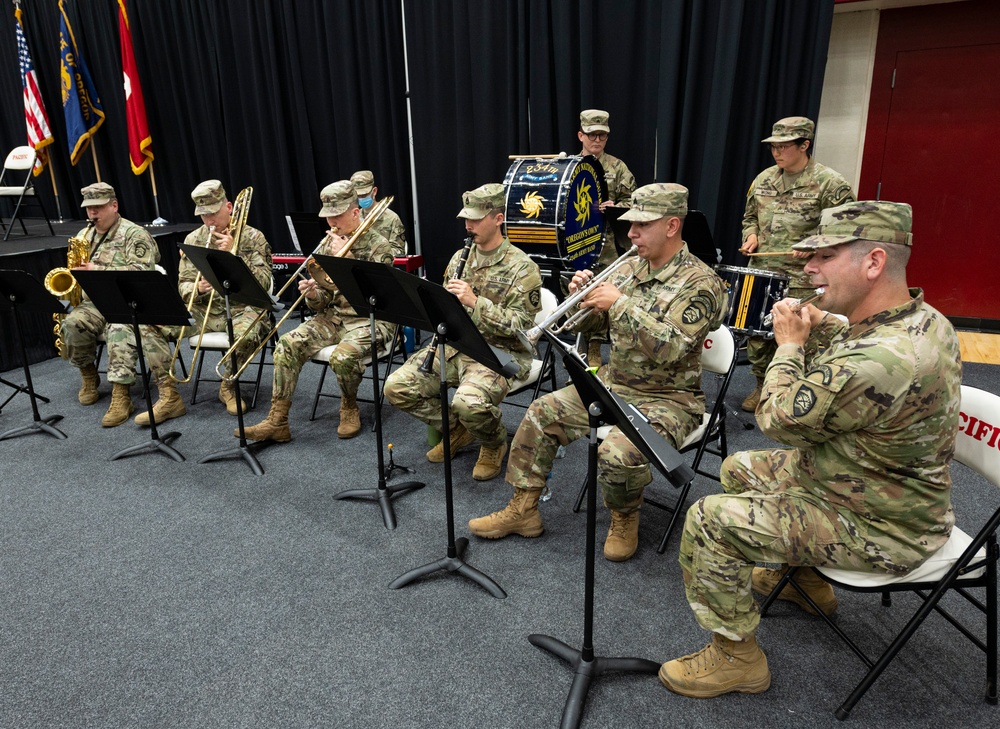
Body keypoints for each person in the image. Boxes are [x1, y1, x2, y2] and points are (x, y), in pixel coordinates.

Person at [660, 201, 962, 698]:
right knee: (738, 468)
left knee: (709, 519)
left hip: (883, 525)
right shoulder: (922, 319)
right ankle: (804, 580)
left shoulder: (880, 359)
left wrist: (790, 345)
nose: (808, 269)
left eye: (824, 256)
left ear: (873, 262)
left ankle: (737, 658)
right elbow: (871, 350)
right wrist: (829, 325)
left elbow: (777, 419)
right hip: (877, 485)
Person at [468, 183, 726, 561]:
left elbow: (671, 347)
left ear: (672, 225)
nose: (631, 233)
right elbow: (599, 331)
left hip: (669, 399)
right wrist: (587, 304)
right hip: (614, 382)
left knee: (616, 452)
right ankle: (523, 508)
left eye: (642, 225)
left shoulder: (702, 284)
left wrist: (618, 304)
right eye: (630, 225)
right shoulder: (632, 267)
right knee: (540, 413)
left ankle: (624, 517)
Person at [383, 183, 542, 482]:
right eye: (466, 218)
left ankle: (493, 442)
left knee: (468, 402)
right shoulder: (460, 257)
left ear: (498, 218)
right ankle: (460, 429)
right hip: (456, 344)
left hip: (497, 353)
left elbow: (521, 326)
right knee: (396, 387)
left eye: (476, 219)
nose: (468, 225)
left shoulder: (523, 267)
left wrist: (474, 302)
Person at [242, 180, 395, 441]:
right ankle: (277, 420)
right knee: (286, 344)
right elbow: (324, 299)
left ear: (355, 212)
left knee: (343, 357)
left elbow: (378, 298)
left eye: (337, 216)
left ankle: (348, 405)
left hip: (370, 319)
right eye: (328, 216)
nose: (331, 223)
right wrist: (313, 295)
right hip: (334, 317)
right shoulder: (327, 245)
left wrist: (347, 261)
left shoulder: (380, 246)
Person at [121, 180, 272, 425]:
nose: (209, 220)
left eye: (213, 212)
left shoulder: (253, 237)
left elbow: (264, 284)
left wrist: (236, 254)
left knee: (247, 331)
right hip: (204, 309)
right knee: (148, 323)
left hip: (243, 307)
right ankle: (169, 396)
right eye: (203, 215)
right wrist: (198, 288)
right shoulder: (193, 239)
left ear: (229, 207)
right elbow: (183, 285)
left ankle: (229, 385)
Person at [738, 116, 855, 412]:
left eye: (783, 146)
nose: (777, 152)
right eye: (773, 147)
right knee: (758, 334)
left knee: (807, 334)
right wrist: (750, 235)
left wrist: (813, 244)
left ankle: (806, 391)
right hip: (764, 272)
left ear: (804, 145)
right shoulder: (764, 180)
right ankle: (762, 385)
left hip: (805, 276)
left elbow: (846, 230)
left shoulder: (830, 183)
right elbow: (750, 217)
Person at [59, 182, 160, 427]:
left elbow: (143, 272)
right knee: (72, 323)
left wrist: (98, 270)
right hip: (95, 304)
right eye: (89, 208)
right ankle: (88, 375)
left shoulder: (134, 234)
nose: (93, 213)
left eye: (98, 207)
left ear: (114, 206)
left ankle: (121, 394)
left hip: (129, 304)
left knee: (119, 329)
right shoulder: (85, 236)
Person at [578, 109, 636, 365]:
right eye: (592, 135)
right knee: (579, 291)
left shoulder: (618, 167)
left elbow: (633, 203)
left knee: (604, 292)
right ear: (581, 135)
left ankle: (595, 346)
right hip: (577, 240)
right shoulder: (571, 166)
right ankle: (580, 341)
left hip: (608, 244)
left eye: (602, 135)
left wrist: (616, 207)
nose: (597, 140)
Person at [350, 170, 407, 256]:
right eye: (358, 196)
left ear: (374, 191)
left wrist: (370, 254)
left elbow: (399, 252)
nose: (361, 198)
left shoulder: (392, 218)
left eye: (364, 195)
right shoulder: (354, 217)